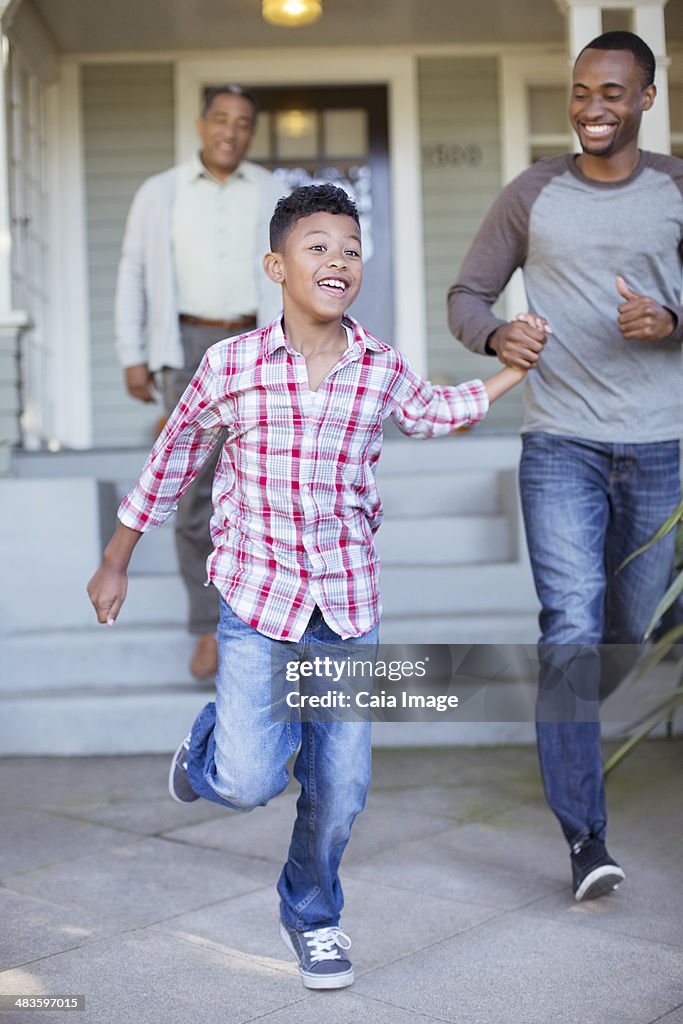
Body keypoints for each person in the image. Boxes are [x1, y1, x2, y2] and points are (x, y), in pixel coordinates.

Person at [89, 184, 525, 989]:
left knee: (342, 785)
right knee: (251, 777)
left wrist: (507, 374)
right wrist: (116, 558)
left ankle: (314, 915)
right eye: (317, 246)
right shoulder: (232, 366)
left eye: (351, 248)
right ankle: (210, 747)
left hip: (346, 606)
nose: (337, 260)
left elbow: (434, 412)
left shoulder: (378, 366)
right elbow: (170, 463)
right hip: (258, 602)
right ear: (276, 266)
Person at [448, 31, 682, 902]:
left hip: (660, 445)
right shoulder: (531, 193)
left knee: (619, 630)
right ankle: (585, 836)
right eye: (581, 91)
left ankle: (568, 717)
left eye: (612, 93)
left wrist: (672, 320)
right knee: (570, 625)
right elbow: (467, 294)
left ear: (645, 100)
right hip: (559, 445)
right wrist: (495, 332)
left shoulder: (675, 190)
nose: (591, 107)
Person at [115, 83, 285, 680]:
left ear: (251, 132)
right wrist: (133, 354)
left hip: (259, 347)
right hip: (184, 348)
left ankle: (262, 622)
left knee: (261, 492)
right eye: (221, 119)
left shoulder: (272, 191)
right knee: (194, 499)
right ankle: (209, 626)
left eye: (243, 123)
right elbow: (134, 272)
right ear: (201, 123)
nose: (230, 132)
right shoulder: (159, 193)